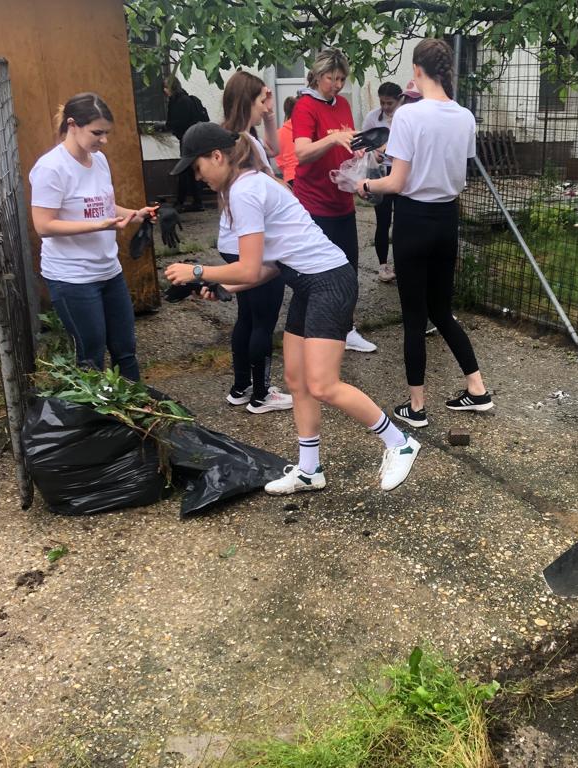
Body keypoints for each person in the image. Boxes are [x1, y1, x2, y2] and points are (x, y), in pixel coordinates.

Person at [165, 123, 420, 492]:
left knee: (323, 384)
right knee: (297, 380)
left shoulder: (245, 191)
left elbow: (249, 267)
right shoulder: (248, 185)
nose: (198, 176)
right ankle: (309, 470)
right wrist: (222, 286)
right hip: (306, 283)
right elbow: (268, 269)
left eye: (197, 166)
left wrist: (198, 270)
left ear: (216, 156)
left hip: (328, 282)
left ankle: (400, 442)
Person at [358, 39, 493, 428]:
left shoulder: (407, 115)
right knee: (441, 310)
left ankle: (416, 407)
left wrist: (365, 186)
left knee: (414, 317)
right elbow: (457, 171)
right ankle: (477, 389)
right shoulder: (464, 116)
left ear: (417, 70)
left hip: (414, 220)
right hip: (447, 218)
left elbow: (396, 182)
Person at [29, 93, 157, 382]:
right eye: (97, 133)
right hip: (72, 277)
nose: (104, 140)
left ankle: (137, 405)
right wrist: (97, 226)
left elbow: (104, 207)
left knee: (125, 349)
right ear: (72, 125)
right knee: (91, 357)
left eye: (107, 133)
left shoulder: (99, 160)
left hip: (108, 270)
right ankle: (94, 411)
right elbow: (44, 225)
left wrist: (136, 214)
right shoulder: (51, 168)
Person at [291, 48, 376, 353]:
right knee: (316, 273)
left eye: (341, 79)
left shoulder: (342, 104)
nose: (337, 85)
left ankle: (346, 329)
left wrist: (360, 155)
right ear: (318, 76)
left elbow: (347, 145)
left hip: (342, 201)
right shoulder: (304, 106)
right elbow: (302, 152)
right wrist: (331, 138)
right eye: (332, 79)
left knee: (348, 270)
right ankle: (309, 333)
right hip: (314, 204)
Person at [218, 71, 293, 415]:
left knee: (247, 317)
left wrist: (270, 117)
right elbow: (272, 180)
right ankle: (262, 394)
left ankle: (241, 387)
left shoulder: (234, 137)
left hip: (231, 239)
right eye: (262, 100)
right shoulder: (242, 143)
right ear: (248, 100)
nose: (266, 106)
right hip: (249, 241)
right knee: (263, 320)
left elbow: (274, 149)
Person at [363, 81, 402, 283]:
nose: (385, 107)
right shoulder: (372, 117)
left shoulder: (405, 116)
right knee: (383, 220)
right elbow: (364, 145)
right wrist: (374, 153)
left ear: (399, 100)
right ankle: (383, 265)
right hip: (380, 173)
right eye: (382, 103)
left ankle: (401, 264)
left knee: (402, 222)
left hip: (402, 173)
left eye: (390, 103)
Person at [164, 78, 207, 211]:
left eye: (165, 88)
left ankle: (184, 201)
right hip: (193, 139)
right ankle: (195, 201)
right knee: (190, 170)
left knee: (185, 170)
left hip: (188, 140)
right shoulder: (186, 99)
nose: (164, 91)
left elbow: (176, 122)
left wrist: (165, 126)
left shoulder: (179, 102)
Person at [276, 96, 299, 187]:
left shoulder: (278, 133)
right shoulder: (304, 130)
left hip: (289, 177)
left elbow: (279, 161)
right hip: (306, 175)